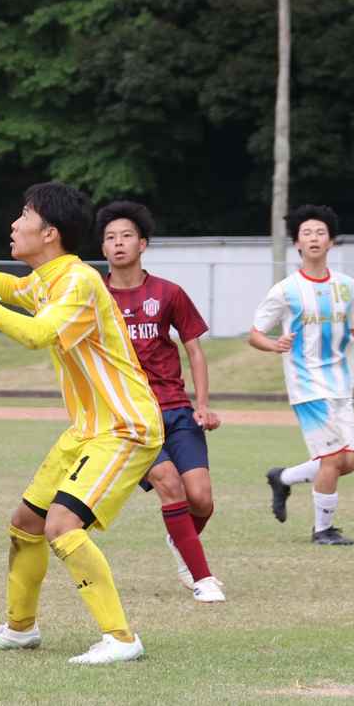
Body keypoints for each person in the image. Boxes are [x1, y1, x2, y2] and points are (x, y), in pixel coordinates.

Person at [0, 181, 163, 666]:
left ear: (50, 232)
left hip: (124, 426)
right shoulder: (49, 278)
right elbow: (13, 287)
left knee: (62, 524)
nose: (14, 224)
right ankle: (20, 629)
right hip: (86, 429)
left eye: (24, 215)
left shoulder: (78, 282)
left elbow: (38, 334)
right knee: (26, 524)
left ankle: (121, 638)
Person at [97, 201, 225, 602]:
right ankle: (203, 578)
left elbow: (195, 351)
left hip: (176, 409)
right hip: (130, 416)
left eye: (126, 236)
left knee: (201, 498)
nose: (118, 244)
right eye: (110, 238)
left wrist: (202, 404)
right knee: (170, 484)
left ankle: (180, 540)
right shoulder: (93, 296)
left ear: (143, 243)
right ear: (103, 249)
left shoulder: (169, 293)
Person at [251, 204, 354, 546]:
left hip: (341, 385)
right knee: (331, 459)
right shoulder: (286, 290)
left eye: (320, 232)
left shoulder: (347, 287)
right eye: (307, 233)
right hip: (307, 385)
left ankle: (283, 477)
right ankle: (322, 530)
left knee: (347, 462)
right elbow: (255, 333)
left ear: (331, 241)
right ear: (297, 244)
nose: (314, 238)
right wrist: (274, 345)